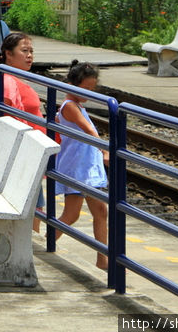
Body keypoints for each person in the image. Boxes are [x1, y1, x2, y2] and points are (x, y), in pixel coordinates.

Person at [0, 32, 48, 231]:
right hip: (21, 156)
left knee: (35, 203)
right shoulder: (7, 81)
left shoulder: (10, 78)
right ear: (8, 54)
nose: (30, 56)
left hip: (28, 154)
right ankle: (30, 244)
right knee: (33, 206)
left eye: (31, 51)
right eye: (24, 51)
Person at [53, 60, 108, 270]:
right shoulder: (70, 107)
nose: (89, 93)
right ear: (72, 84)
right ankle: (49, 240)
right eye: (85, 89)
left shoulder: (76, 105)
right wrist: (104, 149)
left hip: (84, 167)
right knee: (72, 214)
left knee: (99, 211)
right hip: (78, 168)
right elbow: (89, 131)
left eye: (92, 89)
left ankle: (103, 259)